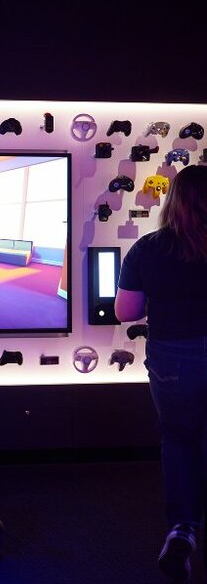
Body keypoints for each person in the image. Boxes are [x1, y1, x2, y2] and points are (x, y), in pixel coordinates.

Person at [116, 164, 207, 583]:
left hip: (173, 357)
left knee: (179, 439)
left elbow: (127, 312)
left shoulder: (148, 249)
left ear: (171, 201)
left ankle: (183, 529)